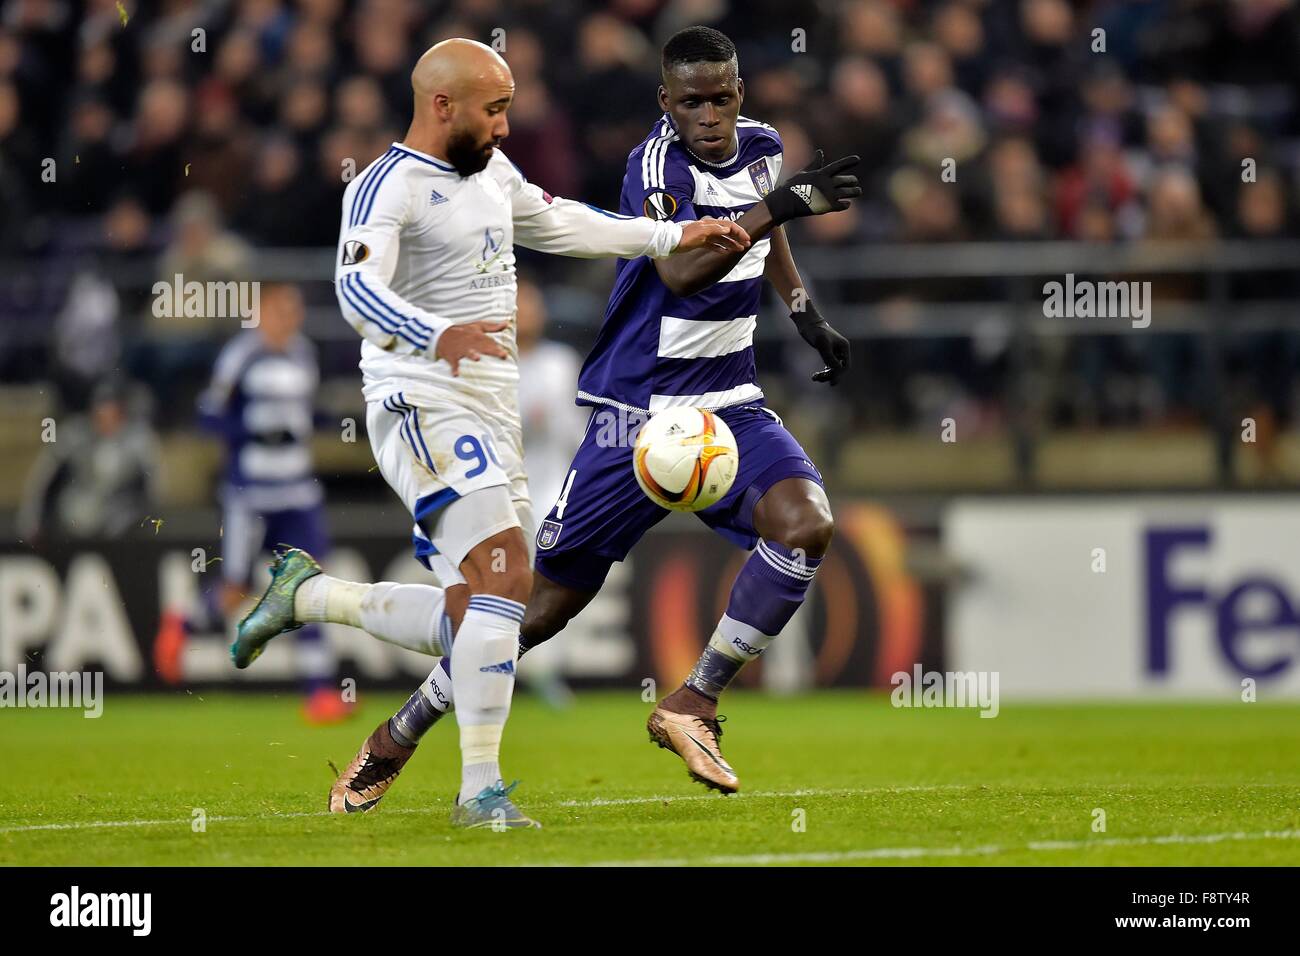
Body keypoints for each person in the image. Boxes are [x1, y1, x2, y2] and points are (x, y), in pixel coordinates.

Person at [259, 24, 859, 811]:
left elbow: (715, 235)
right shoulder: (653, 162)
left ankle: (693, 702)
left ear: (741, 93)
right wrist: (749, 213)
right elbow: (679, 272)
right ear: (665, 103)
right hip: (630, 415)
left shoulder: (762, 149)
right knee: (525, 611)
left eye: (722, 98)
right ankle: (400, 733)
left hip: (729, 403)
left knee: (807, 524)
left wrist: (805, 309)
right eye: (692, 102)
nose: (709, 115)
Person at [152, 283, 347, 724]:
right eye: (280, 311)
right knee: (235, 589)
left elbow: (304, 413)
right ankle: (183, 624)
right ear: (260, 313)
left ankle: (318, 693)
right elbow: (209, 414)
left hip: (298, 490)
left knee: (309, 582)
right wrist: (253, 434)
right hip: (252, 494)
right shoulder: (241, 355)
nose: (288, 320)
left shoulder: (303, 353)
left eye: (293, 312)